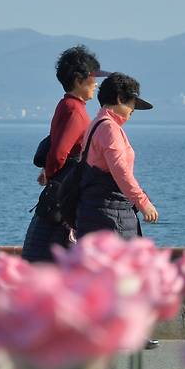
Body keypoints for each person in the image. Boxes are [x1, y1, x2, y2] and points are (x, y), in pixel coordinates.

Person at [22, 45, 108, 262]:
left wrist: (47, 171)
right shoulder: (75, 111)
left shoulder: (66, 104)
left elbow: (55, 143)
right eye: (92, 79)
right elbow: (60, 152)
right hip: (64, 188)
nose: (96, 84)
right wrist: (50, 174)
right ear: (79, 81)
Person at [76, 72, 158, 240]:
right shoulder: (110, 129)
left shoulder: (97, 123)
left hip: (94, 209)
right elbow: (120, 170)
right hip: (110, 215)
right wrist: (142, 202)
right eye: (132, 103)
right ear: (120, 98)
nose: (133, 109)